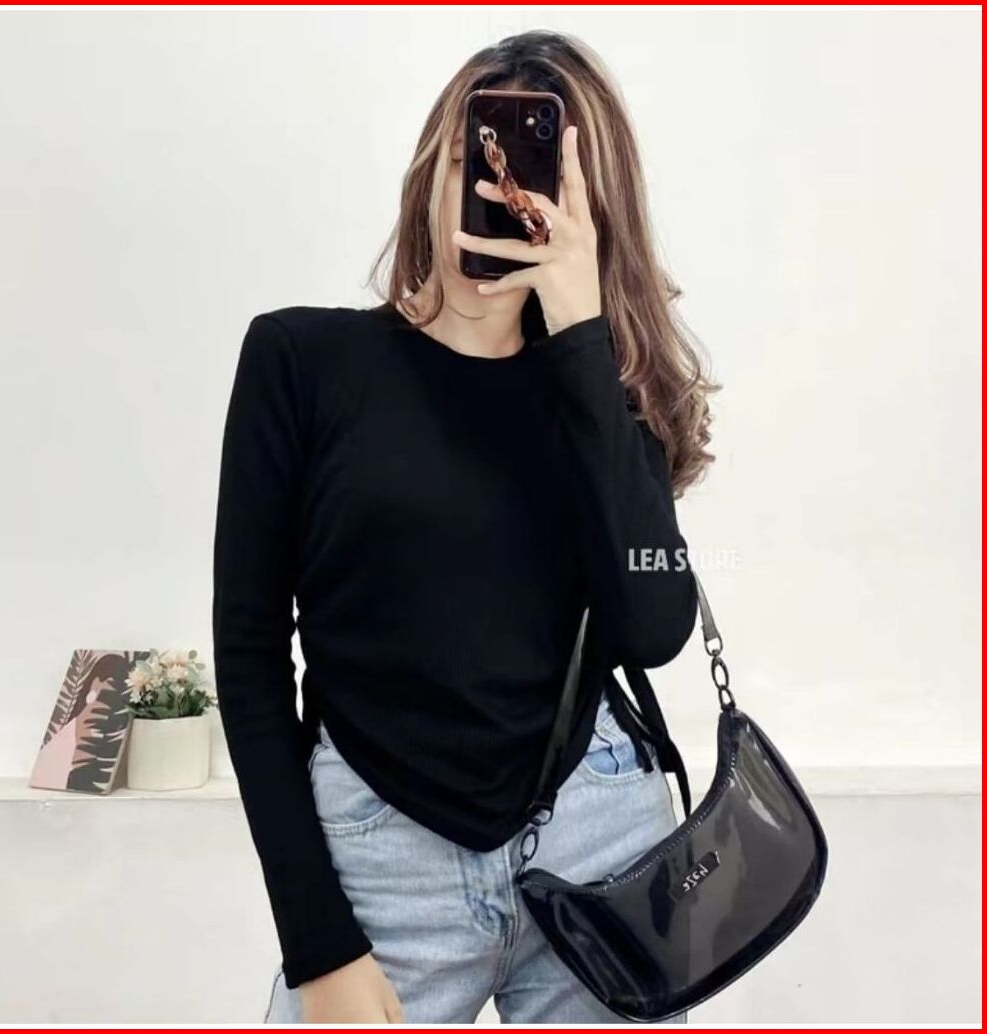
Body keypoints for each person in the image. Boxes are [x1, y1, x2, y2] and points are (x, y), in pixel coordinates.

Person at [212, 29, 717, 1025]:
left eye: (538, 180)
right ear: (430, 176)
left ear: (590, 211)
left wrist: (580, 334)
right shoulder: (301, 361)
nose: (496, 196)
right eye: (471, 161)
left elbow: (655, 623)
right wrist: (317, 941)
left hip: (596, 832)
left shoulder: (601, 396)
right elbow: (250, 654)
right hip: (380, 853)